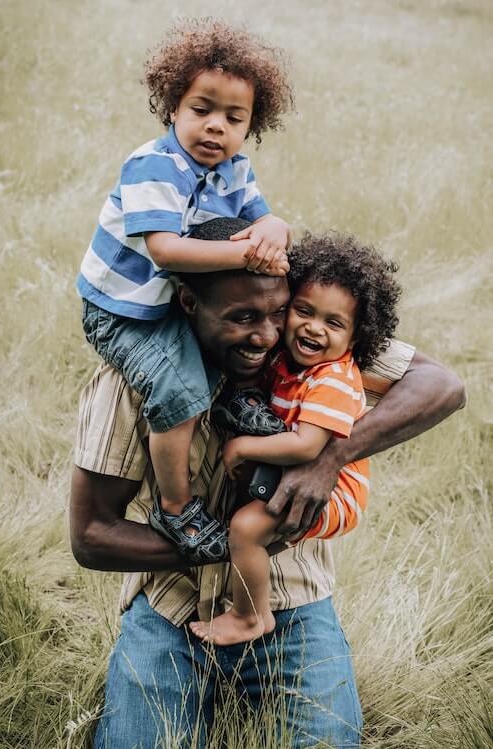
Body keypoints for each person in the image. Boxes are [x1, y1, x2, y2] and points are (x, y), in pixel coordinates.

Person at [70, 218, 465, 749]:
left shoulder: (307, 344)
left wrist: (330, 458)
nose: (264, 334)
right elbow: (91, 535)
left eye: (278, 312)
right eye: (241, 318)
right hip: (170, 607)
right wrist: (237, 544)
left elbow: (442, 385)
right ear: (188, 304)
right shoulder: (134, 379)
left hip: (293, 600)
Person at [76, 18, 294, 560]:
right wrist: (250, 250)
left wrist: (276, 228)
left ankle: (230, 402)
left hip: (173, 303)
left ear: (251, 126)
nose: (215, 127)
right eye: (202, 109)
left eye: (233, 117)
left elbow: (263, 219)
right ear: (172, 106)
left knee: (224, 340)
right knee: (177, 389)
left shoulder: (235, 168)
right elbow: (167, 251)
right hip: (123, 310)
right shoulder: (155, 164)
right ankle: (176, 509)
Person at [189, 232, 401, 645]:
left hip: (336, 492)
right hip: (301, 468)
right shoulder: (292, 364)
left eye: (333, 323)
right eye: (304, 311)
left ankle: (251, 616)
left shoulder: (334, 378)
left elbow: (307, 447)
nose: (314, 328)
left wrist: (242, 446)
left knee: (247, 527)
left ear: (355, 338)